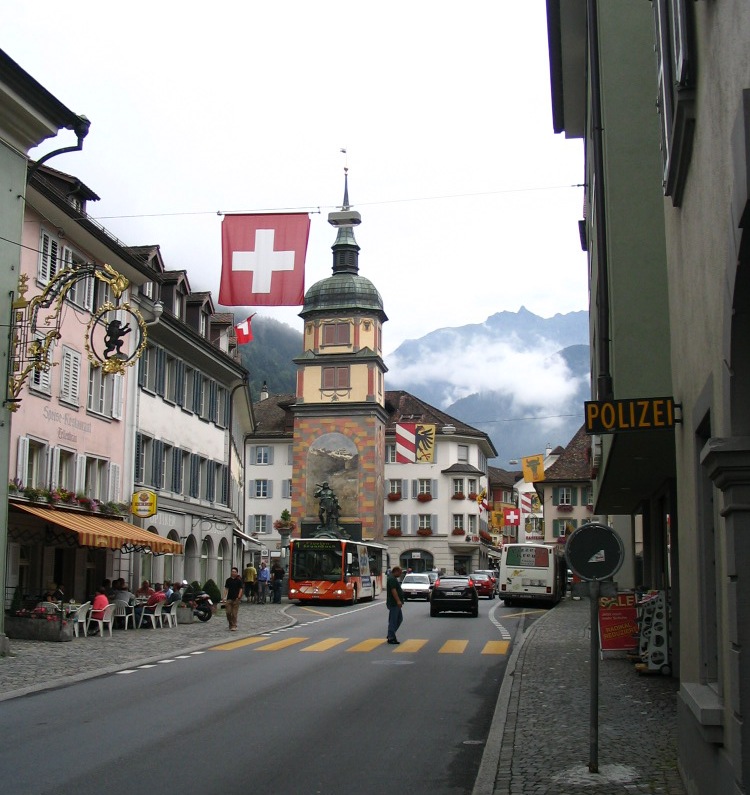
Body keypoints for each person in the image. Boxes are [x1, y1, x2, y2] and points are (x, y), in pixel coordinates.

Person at [386, 565, 405, 645]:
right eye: (400, 573)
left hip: (395, 603)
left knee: (399, 619)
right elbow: (393, 590)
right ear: (396, 571)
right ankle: (391, 637)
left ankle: (391, 634)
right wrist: (398, 601)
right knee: (394, 620)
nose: (400, 574)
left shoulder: (393, 578)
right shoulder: (392, 579)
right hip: (394, 603)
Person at [223, 567, 244, 631]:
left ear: (237, 573)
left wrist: (239, 596)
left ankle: (234, 625)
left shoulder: (239, 580)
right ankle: (230, 623)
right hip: (229, 599)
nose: (233, 573)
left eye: (235, 572)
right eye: (232, 572)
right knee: (228, 612)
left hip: (236, 599)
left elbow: (241, 589)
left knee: (234, 614)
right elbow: (226, 589)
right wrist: (224, 597)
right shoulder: (228, 580)